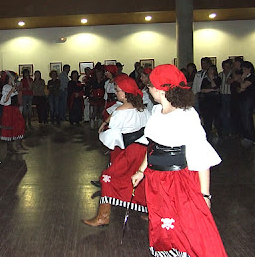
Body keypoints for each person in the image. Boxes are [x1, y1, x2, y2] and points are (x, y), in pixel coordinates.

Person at [131, 64, 227, 257]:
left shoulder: (186, 115)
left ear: (161, 88)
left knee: (188, 228)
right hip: (156, 180)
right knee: (162, 224)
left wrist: (205, 195)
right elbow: (151, 146)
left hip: (179, 180)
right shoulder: (156, 112)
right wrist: (141, 171)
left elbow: (201, 154)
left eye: (150, 86)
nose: (148, 89)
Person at [83, 75, 150, 227]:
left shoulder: (121, 111)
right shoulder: (142, 108)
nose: (116, 93)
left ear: (126, 93)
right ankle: (150, 211)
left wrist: (103, 135)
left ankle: (103, 216)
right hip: (143, 151)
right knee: (140, 180)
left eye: (118, 90)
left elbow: (112, 138)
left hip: (130, 152)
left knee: (107, 177)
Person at [0, 71, 26, 153]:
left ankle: (19, 144)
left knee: (19, 124)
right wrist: (12, 90)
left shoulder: (11, 86)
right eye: (14, 77)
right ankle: (10, 147)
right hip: (9, 109)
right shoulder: (6, 87)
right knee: (9, 127)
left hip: (14, 109)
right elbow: (5, 99)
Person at [238, 61, 255, 146]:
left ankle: (251, 137)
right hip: (243, 99)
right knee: (243, 117)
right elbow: (239, 89)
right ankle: (246, 135)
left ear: (249, 69)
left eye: (245, 69)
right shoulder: (244, 78)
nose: (243, 70)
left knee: (247, 117)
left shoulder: (251, 77)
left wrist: (242, 79)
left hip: (249, 99)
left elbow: (242, 86)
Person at [218, 59, 233, 138]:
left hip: (230, 95)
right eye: (224, 66)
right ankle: (225, 130)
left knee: (229, 113)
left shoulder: (232, 74)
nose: (226, 68)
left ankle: (230, 130)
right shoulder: (220, 75)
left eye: (228, 66)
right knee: (223, 113)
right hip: (222, 95)